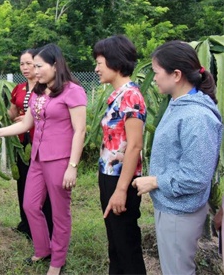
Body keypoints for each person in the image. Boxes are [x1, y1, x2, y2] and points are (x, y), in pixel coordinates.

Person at [0, 44, 87, 275]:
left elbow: (80, 131)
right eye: (33, 66)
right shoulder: (38, 91)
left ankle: (57, 261)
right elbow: (27, 124)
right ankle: (42, 249)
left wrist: (72, 166)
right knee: (29, 205)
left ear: (55, 65)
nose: (35, 71)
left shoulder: (73, 90)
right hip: (37, 157)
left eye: (39, 66)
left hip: (60, 160)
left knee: (59, 213)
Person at [133, 41, 223, 275]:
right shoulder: (178, 104)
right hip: (173, 206)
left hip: (180, 213)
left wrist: (155, 181)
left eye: (156, 73)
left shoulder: (195, 117)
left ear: (176, 75)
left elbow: (196, 177)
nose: (154, 79)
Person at [93, 35, 147, 274]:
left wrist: (121, 190)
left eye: (99, 63)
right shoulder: (116, 95)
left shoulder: (131, 96)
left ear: (115, 62)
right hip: (108, 174)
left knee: (126, 244)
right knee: (115, 242)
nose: (96, 69)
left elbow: (134, 146)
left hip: (122, 179)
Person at [6, 49, 53, 239]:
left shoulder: (46, 87)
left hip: (39, 141)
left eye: (29, 63)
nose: (25, 68)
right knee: (23, 181)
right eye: (22, 64)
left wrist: (29, 118)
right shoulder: (19, 88)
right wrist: (0, 106)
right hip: (21, 142)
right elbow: (11, 113)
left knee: (43, 186)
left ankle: (45, 225)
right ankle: (26, 223)